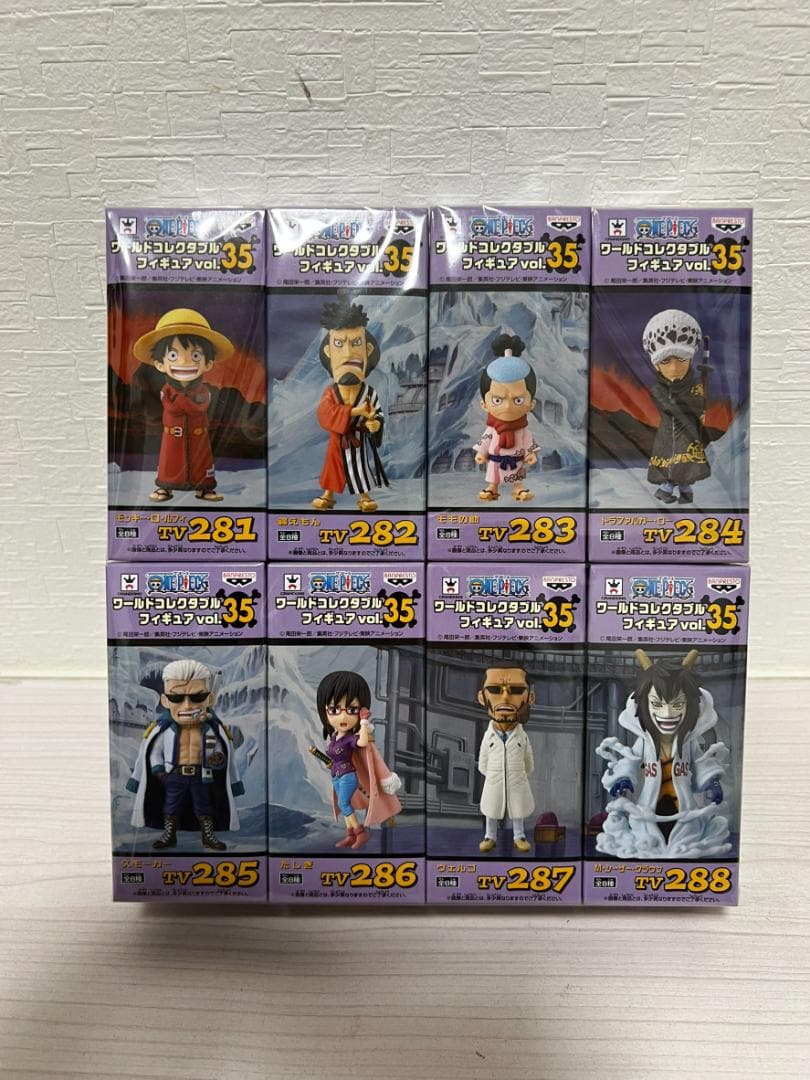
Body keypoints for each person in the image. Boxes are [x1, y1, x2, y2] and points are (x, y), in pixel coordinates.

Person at [595, 649, 731, 858]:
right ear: (644, 705)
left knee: (685, 832)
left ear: (690, 705)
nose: (667, 713)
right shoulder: (645, 742)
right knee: (647, 833)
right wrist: (623, 778)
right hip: (649, 803)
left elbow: (701, 762)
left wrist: (712, 781)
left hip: (683, 804)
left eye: (678, 704)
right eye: (657, 704)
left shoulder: (689, 742)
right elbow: (630, 759)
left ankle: (679, 847)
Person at [126, 658, 243, 851]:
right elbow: (154, 752)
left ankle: (207, 836)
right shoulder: (162, 730)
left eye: (197, 697)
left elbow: (220, 753)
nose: (187, 706)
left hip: (201, 775)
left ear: (209, 699)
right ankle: (169, 835)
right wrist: (159, 771)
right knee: (171, 806)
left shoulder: (213, 729)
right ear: (165, 700)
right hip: (174, 775)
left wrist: (217, 759)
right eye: (176, 698)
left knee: (204, 806)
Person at [133, 308, 234, 502]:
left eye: (195, 356)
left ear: (208, 363)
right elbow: (171, 407)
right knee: (169, 463)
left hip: (198, 437)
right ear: (159, 363)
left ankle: (204, 487)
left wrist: (182, 402)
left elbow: (198, 408)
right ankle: (165, 487)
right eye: (173, 355)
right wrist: (183, 403)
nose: (185, 362)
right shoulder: (166, 391)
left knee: (201, 463)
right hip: (173, 437)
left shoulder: (203, 392)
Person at [311, 298, 387, 512]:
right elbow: (325, 413)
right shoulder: (331, 392)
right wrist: (355, 411)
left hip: (358, 440)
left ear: (368, 349)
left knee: (359, 467)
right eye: (339, 344)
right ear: (328, 351)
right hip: (338, 440)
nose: (348, 353)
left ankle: (364, 497)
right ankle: (328, 496)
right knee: (332, 468)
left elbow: (378, 414)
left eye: (355, 344)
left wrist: (375, 424)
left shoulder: (369, 393)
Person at [314, 670, 402, 849]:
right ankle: (350, 835)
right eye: (334, 710)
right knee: (344, 805)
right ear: (325, 711)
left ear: (360, 710)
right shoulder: (335, 736)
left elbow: (362, 742)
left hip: (347, 776)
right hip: (337, 776)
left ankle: (361, 833)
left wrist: (363, 722)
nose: (343, 717)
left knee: (343, 803)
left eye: (352, 710)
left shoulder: (349, 738)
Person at [642, 308, 710, 505]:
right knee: (675, 466)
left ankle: (685, 494)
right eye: (666, 361)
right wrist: (690, 404)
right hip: (669, 434)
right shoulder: (658, 389)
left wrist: (699, 405)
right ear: (657, 365)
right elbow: (671, 407)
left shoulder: (694, 384)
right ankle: (665, 490)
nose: (674, 368)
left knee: (686, 467)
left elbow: (698, 403)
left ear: (690, 359)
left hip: (688, 433)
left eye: (681, 359)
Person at [476, 666, 536, 853]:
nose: (504, 698)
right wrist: (494, 774)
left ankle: (519, 836)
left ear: (530, 698)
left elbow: (529, 761)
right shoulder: (488, 736)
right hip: (494, 780)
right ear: (482, 697)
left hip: (517, 779)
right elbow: (483, 762)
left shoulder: (522, 736)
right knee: (491, 809)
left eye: (516, 690)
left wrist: (518, 774)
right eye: (494, 689)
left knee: (518, 810)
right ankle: (490, 836)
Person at [474, 334, 540, 502]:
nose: (507, 407)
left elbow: (527, 441)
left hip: (516, 460)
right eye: (497, 400)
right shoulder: (492, 429)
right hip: (496, 460)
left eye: (518, 400)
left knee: (517, 475)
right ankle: (492, 487)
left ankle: (518, 488)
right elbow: (486, 439)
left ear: (531, 404)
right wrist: (481, 452)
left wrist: (530, 453)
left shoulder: (522, 429)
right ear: (484, 404)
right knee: (493, 475)